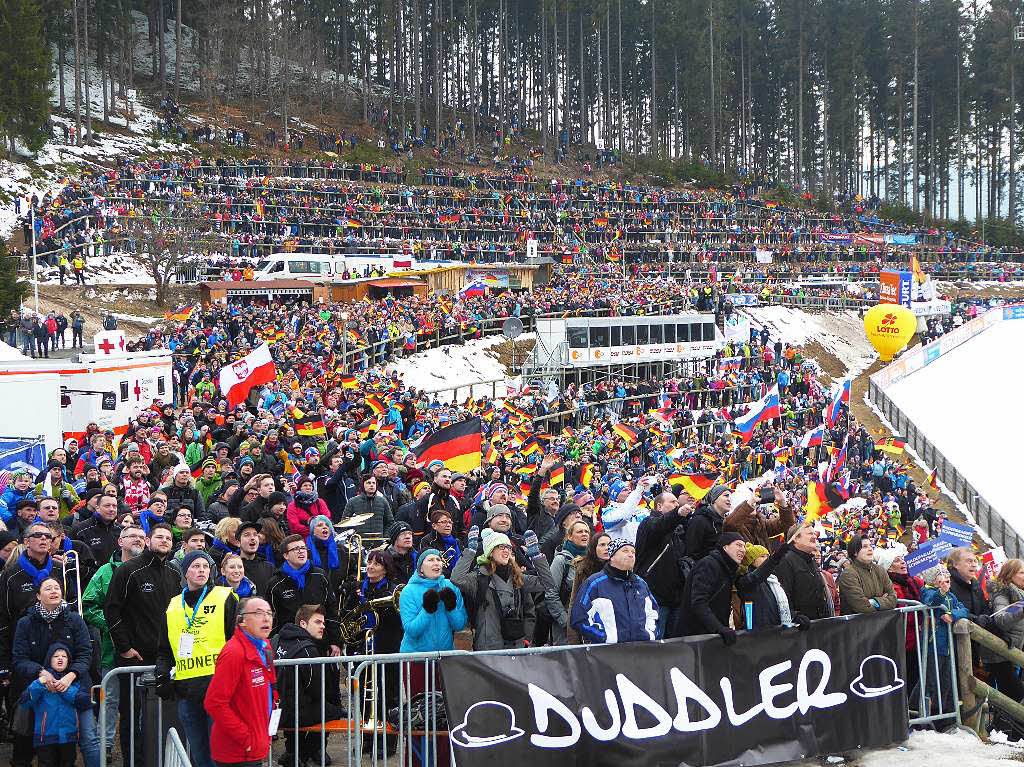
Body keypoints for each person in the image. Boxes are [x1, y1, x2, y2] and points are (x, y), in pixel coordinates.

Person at [104, 523, 180, 764]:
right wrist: (124, 647)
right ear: (148, 541)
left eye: (168, 538)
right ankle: (132, 762)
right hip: (134, 658)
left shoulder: (175, 573)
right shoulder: (128, 570)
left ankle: (158, 759)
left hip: (165, 658)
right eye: (159, 536)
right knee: (132, 715)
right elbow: (111, 609)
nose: (165, 540)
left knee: (162, 712)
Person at [156, 550, 238, 767]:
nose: (201, 570)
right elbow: (165, 649)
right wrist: (162, 675)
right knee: (200, 755)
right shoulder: (174, 605)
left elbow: (236, 642)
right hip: (188, 691)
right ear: (185, 572)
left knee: (219, 755)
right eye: (195, 566)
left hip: (218, 689)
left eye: (205, 566)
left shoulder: (224, 597)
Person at [12, 577, 99, 767]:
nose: (54, 591)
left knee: (89, 738)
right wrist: (41, 673)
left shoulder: (74, 619)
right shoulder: (26, 623)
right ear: (37, 595)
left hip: (76, 687)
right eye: (48, 588)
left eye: (57, 588)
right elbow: (19, 659)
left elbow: (86, 653)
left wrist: (71, 675)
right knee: (36, 743)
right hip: (41, 690)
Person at [81, 523, 145, 758]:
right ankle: (104, 747)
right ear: (120, 541)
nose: (137, 539)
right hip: (112, 651)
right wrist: (115, 629)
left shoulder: (151, 569)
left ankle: (142, 743)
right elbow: (88, 605)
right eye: (132, 536)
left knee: (142, 704)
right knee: (109, 701)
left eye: (141, 536)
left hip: (146, 650)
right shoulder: (105, 572)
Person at [678, 533, 796, 642]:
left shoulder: (730, 570)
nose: (743, 550)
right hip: (694, 636)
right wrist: (719, 628)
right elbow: (698, 602)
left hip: (711, 637)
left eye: (744, 546)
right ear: (725, 547)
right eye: (738, 545)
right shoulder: (708, 564)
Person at [205, 597, 279, 767]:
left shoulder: (265, 646)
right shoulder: (233, 652)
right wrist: (246, 738)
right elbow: (214, 703)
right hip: (237, 754)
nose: (266, 618)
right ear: (242, 621)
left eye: (269, 613)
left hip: (255, 745)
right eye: (258, 613)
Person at [273, 605, 345, 765]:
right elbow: (317, 691)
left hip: (275, 709)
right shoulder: (307, 651)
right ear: (303, 624)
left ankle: (293, 752)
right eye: (318, 622)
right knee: (333, 710)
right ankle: (310, 750)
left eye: (323, 623)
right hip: (291, 713)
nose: (323, 626)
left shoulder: (278, 639)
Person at [452, 528, 542, 650]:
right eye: (501, 547)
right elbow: (457, 579)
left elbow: (547, 584)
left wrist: (537, 557)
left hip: (516, 646)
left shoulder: (518, 577)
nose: (506, 551)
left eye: (509, 548)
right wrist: (470, 551)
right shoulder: (479, 578)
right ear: (491, 551)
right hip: (488, 649)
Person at [570, 539, 657, 644]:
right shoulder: (594, 583)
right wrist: (604, 637)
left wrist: (650, 634)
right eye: (625, 551)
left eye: (633, 552)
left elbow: (654, 613)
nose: (631, 555)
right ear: (612, 557)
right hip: (607, 654)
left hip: (640, 652)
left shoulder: (641, 584)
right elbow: (579, 618)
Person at [20, 643, 91, 767]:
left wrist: (64, 688)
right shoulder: (41, 682)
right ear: (49, 660)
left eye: (64, 656)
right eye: (56, 656)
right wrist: (39, 683)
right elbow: (25, 701)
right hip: (45, 737)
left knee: (68, 763)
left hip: (69, 736)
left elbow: (84, 701)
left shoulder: (75, 681)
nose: (60, 658)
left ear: (69, 661)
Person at [266, 534, 341, 653]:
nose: (301, 552)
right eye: (295, 549)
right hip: (290, 645)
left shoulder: (320, 576)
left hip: (320, 642)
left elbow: (332, 609)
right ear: (286, 555)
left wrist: (335, 641)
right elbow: (273, 617)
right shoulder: (276, 583)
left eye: (303, 548)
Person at [635, 491, 691, 639]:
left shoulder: (677, 531)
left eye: (677, 503)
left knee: (674, 644)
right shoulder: (648, 523)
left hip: (676, 599)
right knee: (656, 646)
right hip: (656, 599)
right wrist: (677, 514)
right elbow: (660, 525)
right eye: (672, 502)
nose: (676, 504)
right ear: (659, 506)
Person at [983, 559, 1024, 740]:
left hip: (1015, 652)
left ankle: (1009, 733)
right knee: (1014, 694)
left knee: (1012, 696)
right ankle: (1009, 735)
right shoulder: (1002, 593)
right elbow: (1001, 619)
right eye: (1021, 572)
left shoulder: (1020, 593)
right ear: (1010, 575)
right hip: (1000, 652)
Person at [919, 566, 968, 716]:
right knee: (930, 680)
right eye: (941, 577)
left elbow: (963, 609)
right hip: (933, 643)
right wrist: (941, 592)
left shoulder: (951, 596)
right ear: (933, 580)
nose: (946, 580)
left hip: (947, 645)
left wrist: (952, 615)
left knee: (946, 679)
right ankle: (919, 710)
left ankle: (943, 713)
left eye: (947, 577)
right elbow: (932, 603)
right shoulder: (927, 591)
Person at [398, 549, 467, 652]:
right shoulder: (408, 591)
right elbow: (412, 630)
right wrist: (427, 610)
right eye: (430, 560)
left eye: (438, 559)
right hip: (416, 658)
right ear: (420, 568)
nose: (436, 563)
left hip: (444, 657)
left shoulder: (450, 586)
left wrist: (451, 608)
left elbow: (460, 625)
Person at [774, 524, 834, 620]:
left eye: (814, 533)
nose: (815, 536)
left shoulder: (810, 561)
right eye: (810, 533)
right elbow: (783, 596)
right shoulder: (785, 560)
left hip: (818, 625)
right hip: (799, 629)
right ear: (796, 538)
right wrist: (795, 616)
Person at [837, 535, 898, 615]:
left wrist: (873, 602)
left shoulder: (880, 570)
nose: (870, 549)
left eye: (870, 546)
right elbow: (861, 606)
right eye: (865, 547)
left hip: (881, 624)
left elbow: (893, 599)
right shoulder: (848, 574)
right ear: (855, 552)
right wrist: (882, 601)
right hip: (856, 625)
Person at [685, 485, 732, 560]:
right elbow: (692, 552)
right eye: (726, 495)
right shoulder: (699, 520)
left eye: (730, 496)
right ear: (714, 499)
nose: (729, 499)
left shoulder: (726, 521)